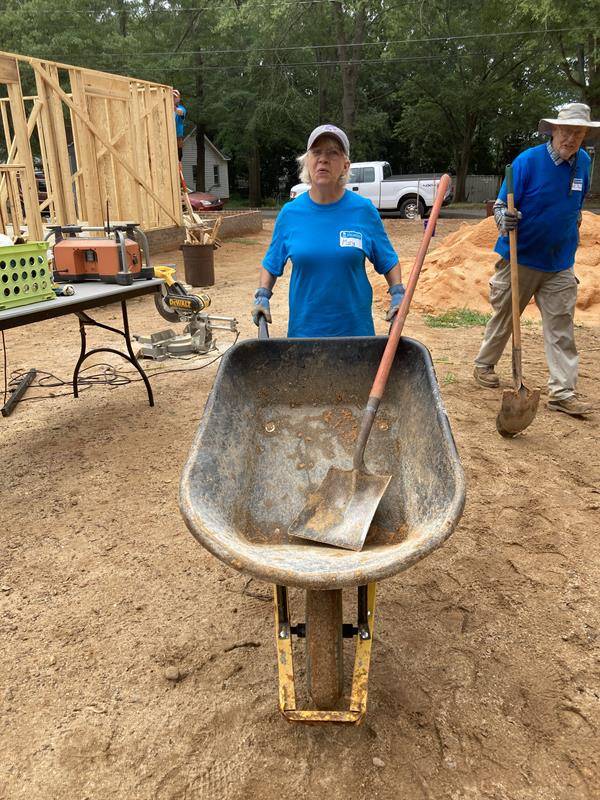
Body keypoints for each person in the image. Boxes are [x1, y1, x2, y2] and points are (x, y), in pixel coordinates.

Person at [473, 102, 599, 417]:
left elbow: (577, 204)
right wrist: (506, 219)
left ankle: (562, 392)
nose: (571, 138)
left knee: (561, 327)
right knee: (506, 316)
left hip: (560, 262)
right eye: (566, 131)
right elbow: (500, 206)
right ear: (553, 130)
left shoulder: (584, 163)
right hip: (522, 257)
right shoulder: (527, 162)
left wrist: (571, 228)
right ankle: (484, 364)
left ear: (584, 135)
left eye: (578, 132)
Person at [251, 124, 404, 337]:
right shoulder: (290, 214)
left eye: (333, 153)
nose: (323, 159)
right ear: (307, 161)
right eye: (316, 152)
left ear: (345, 165)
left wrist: (397, 293)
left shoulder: (363, 210)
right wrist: (262, 295)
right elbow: (271, 263)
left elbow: (388, 260)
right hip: (304, 336)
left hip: (356, 335)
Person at [173, 89, 186, 163]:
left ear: (179, 98)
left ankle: (179, 163)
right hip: (169, 135)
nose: (174, 98)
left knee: (179, 153)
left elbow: (181, 112)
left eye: (175, 97)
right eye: (173, 97)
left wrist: (174, 108)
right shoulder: (166, 108)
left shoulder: (181, 108)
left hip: (178, 136)